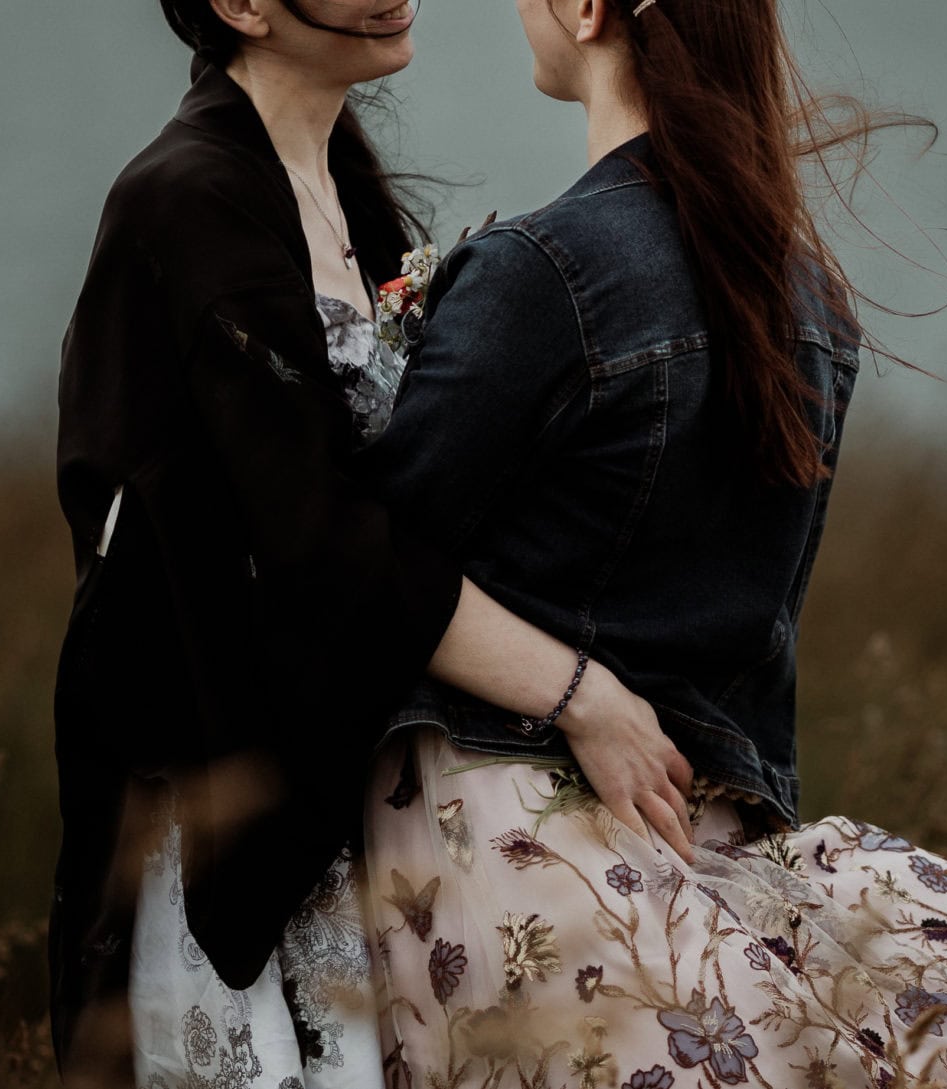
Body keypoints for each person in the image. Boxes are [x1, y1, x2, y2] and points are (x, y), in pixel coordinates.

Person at [345, 0, 947, 1088]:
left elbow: (366, 559)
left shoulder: (548, 270)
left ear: (586, 10)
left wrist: (573, 693)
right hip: (700, 849)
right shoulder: (808, 297)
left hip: (507, 848)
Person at [46, 0, 695, 1084]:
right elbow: (321, 541)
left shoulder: (346, 191)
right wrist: (581, 695)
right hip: (230, 799)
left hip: (348, 784)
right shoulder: (185, 199)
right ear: (240, 6)